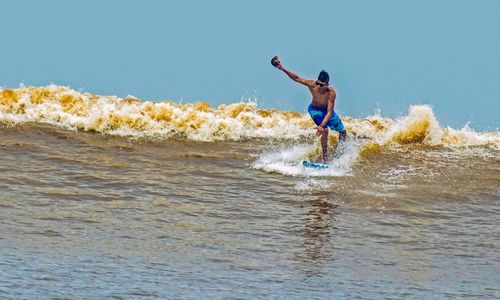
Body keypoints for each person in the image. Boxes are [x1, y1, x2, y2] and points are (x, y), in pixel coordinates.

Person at [271, 56, 347, 162]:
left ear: (327, 84)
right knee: (324, 130)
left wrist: (321, 124)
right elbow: (296, 78)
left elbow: (329, 112)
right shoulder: (312, 85)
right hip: (315, 110)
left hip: (327, 112)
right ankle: (325, 157)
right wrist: (282, 68)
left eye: (321, 85)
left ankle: (341, 153)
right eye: (318, 83)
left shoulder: (331, 93)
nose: (319, 86)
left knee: (343, 132)